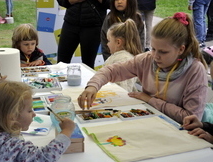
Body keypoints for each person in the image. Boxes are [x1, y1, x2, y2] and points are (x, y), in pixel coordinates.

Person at [78, 12, 208, 124]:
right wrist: (93, 86)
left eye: (163, 52)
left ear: (181, 49)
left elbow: (190, 118)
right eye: (153, 49)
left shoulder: (195, 71)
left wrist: (150, 100)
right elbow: (111, 70)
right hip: (149, 119)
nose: (156, 56)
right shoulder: (147, 59)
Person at [57, 0, 110, 69]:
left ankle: (89, 80)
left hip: (93, 26)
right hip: (71, 22)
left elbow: (111, 4)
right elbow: (61, 1)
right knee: (61, 63)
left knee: (88, 65)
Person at [104, 19, 142, 92]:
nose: (107, 44)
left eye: (108, 40)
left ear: (118, 42)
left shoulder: (123, 60)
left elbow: (121, 89)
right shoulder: (119, 57)